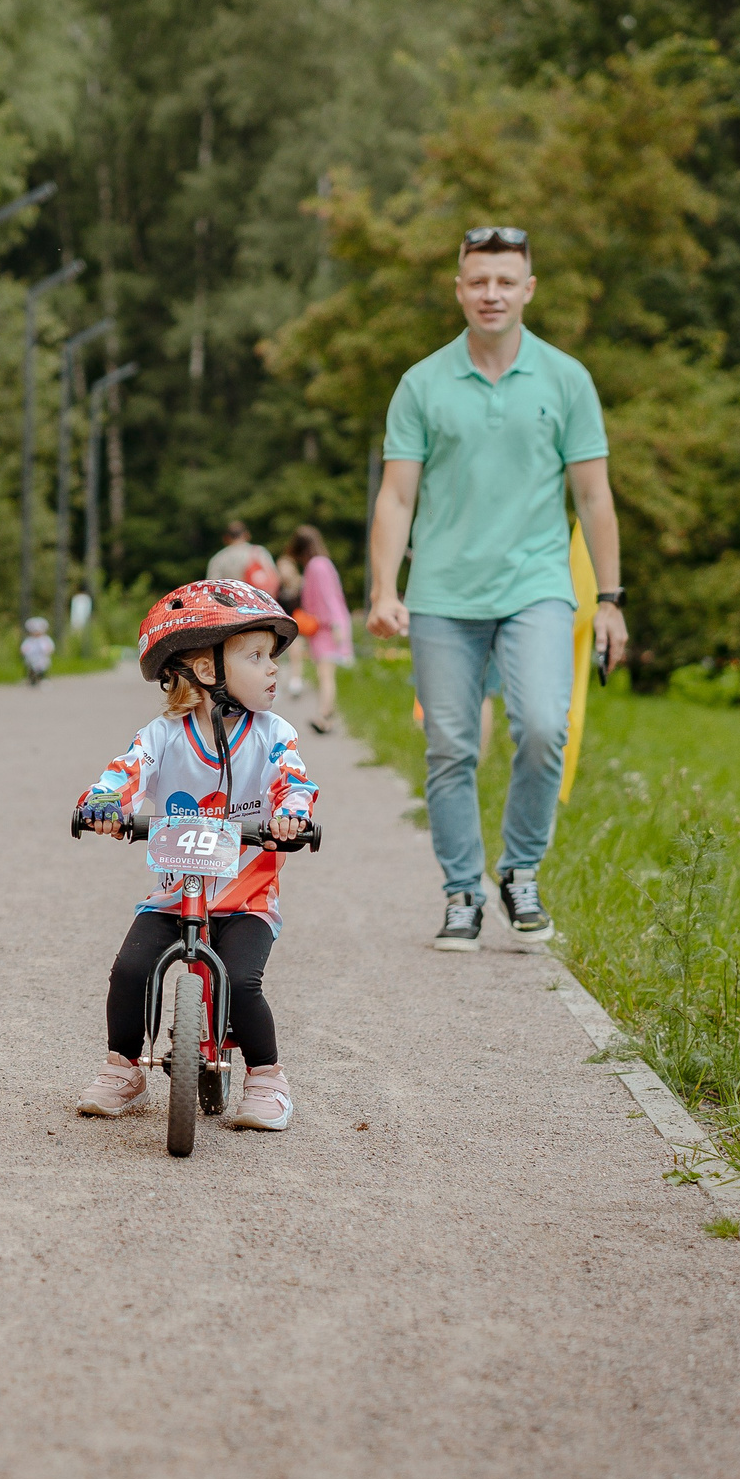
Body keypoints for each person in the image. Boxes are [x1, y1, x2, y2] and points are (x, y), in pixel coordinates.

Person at [364, 226, 628, 952]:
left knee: (543, 725)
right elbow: (395, 498)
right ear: (459, 288)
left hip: (536, 586)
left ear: (528, 289)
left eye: (505, 281)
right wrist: (385, 587)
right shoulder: (422, 383)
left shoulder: (566, 379)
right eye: (479, 281)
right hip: (443, 593)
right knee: (450, 746)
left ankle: (519, 872)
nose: (491, 294)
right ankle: (461, 892)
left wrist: (610, 598)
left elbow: (596, 498)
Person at [73, 581, 319, 1132]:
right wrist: (105, 805)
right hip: (174, 892)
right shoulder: (163, 736)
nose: (273, 669)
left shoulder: (274, 734)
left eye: (271, 656)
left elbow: (293, 782)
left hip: (246, 898)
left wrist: (291, 816)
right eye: (254, 657)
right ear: (205, 670)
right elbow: (125, 773)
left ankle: (266, 1077)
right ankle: (123, 1067)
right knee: (130, 971)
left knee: (241, 978)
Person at [287, 525, 354, 735]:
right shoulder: (320, 564)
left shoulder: (317, 566)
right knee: (324, 674)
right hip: (323, 628)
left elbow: (328, 597)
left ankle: (324, 716)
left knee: (325, 675)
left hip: (327, 628)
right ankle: (327, 717)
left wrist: (335, 625)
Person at [205, 518, 276, 589]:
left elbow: (212, 586)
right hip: (256, 597)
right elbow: (273, 576)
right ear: (247, 534)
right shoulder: (258, 552)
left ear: (226, 538)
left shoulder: (218, 559)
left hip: (230, 598)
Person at [20, 615, 55, 687]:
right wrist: (24, 651)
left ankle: (42, 678)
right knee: (31, 669)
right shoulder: (29, 640)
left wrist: (48, 650)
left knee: (42, 669)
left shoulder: (45, 639)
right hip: (32, 658)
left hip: (42, 658)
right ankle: (32, 680)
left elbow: (49, 647)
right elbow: (24, 647)